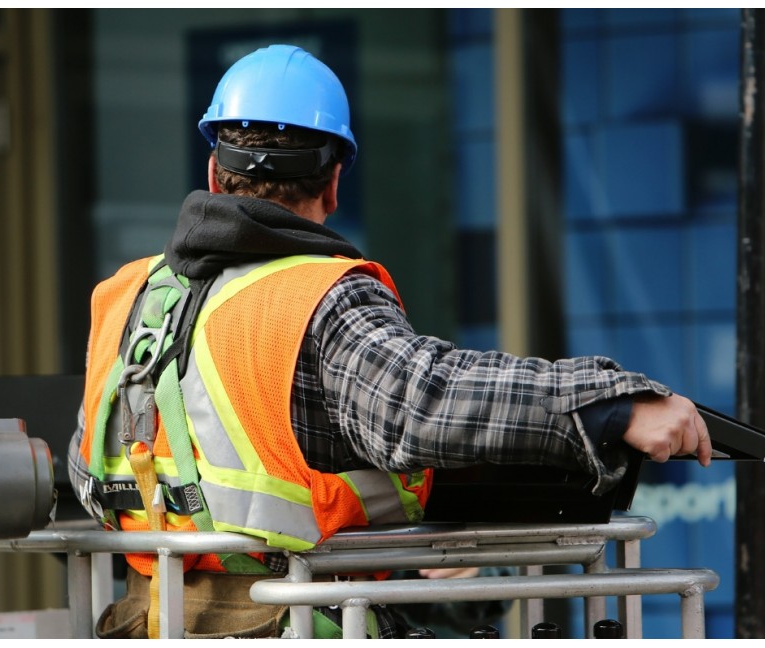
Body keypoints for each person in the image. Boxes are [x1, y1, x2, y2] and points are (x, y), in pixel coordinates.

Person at [66, 43, 712, 639]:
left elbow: (87, 463)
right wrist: (611, 403)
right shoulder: (318, 297)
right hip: (292, 622)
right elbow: (419, 403)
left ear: (213, 172)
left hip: (155, 622)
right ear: (335, 183)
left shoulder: (127, 297)